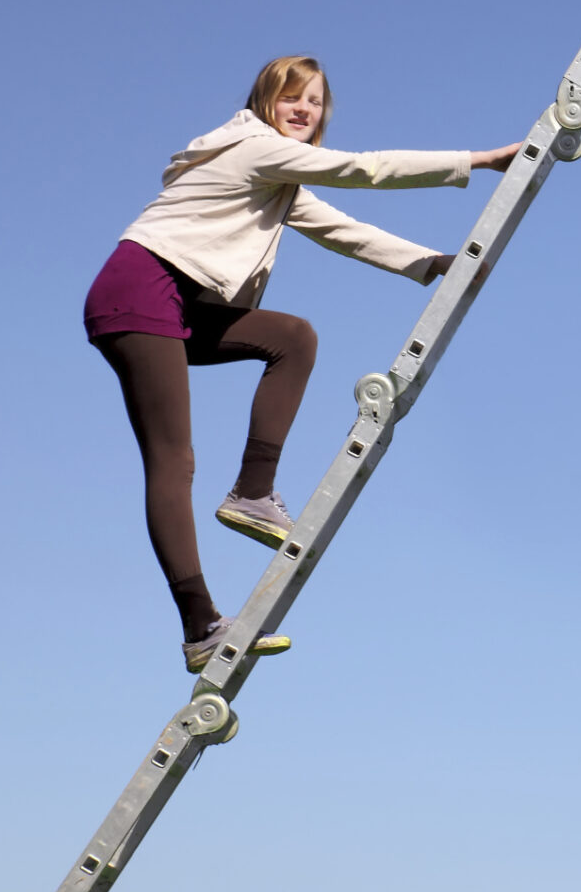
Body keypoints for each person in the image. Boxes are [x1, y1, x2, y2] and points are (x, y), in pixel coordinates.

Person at [82, 55, 522, 672]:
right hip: (141, 290)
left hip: (177, 301)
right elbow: (362, 171)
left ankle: (253, 492)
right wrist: (477, 160)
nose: (304, 109)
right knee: (173, 459)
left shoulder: (280, 180)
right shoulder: (255, 148)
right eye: (291, 96)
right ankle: (200, 625)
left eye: (315, 102)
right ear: (265, 102)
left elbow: (343, 229)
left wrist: (432, 264)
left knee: (292, 337)